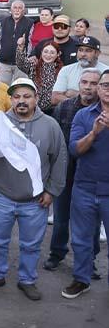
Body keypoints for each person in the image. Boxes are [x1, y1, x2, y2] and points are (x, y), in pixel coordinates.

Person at [0, 78, 67, 301]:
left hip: (35, 200)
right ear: (11, 99)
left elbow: (60, 160)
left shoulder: (50, 126)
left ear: (36, 98)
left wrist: (51, 191)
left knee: (31, 244)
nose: (21, 101)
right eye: (16, 97)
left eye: (27, 96)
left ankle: (27, 279)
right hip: (3, 194)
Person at [46, 69, 103, 278]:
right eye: (84, 82)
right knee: (61, 218)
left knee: (92, 224)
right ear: (78, 84)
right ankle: (57, 253)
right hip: (67, 173)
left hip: (91, 177)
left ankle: (90, 261)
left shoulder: (103, 111)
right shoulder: (65, 107)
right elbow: (56, 142)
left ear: (100, 87)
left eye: (93, 83)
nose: (88, 87)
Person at [62, 69, 109, 299]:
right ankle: (81, 279)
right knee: (81, 240)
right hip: (85, 187)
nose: (108, 90)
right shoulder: (83, 115)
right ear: (99, 89)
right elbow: (75, 150)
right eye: (106, 85)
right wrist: (94, 133)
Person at [51, 36, 109, 107]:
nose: (83, 54)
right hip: (71, 111)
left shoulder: (106, 72)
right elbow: (55, 98)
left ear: (97, 53)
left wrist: (77, 94)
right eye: (80, 50)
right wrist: (86, 98)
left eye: (88, 51)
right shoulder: (66, 70)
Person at [16, 41, 64, 113]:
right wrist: (20, 48)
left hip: (53, 110)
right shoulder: (34, 66)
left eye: (52, 53)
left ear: (58, 54)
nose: (48, 55)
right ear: (41, 52)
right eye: (46, 52)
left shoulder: (63, 71)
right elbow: (21, 63)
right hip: (33, 108)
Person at [0, 0, 31, 84]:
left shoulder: (30, 23)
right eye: (15, 8)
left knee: (20, 86)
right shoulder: (4, 21)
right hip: (4, 63)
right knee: (3, 87)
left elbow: (31, 42)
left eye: (20, 8)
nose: (17, 10)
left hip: (21, 65)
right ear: (11, 10)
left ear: (23, 10)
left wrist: (27, 57)